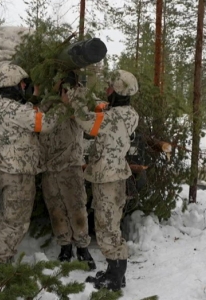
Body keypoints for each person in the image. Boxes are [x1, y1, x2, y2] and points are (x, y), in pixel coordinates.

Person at [68, 70, 139, 291]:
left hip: (107, 178)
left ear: (118, 91)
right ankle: (114, 271)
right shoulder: (129, 114)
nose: (107, 91)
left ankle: (115, 278)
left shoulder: (112, 118)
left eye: (110, 87)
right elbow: (103, 109)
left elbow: (86, 122)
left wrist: (74, 97)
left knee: (106, 226)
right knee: (111, 224)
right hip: (115, 175)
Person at [0, 62, 65, 265]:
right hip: (17, 174)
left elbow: (33, 112)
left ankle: (2, 261)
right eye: (23, 84)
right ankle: (0, 266)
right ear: (12, 85)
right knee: (14, 222)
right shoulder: (14, 110)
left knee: (10, 219)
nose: (25, 88)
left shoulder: (2, 107)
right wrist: (64, 105)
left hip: (9, 171)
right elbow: (44, 123)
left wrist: (45, 99)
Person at [38, 82, 96, 270]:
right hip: (49, 167)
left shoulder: (76, 97)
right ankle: (65, 246)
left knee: (77, 208)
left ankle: (82, 247)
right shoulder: (44, 100)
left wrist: (69, 101)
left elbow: (85, 120)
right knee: (56, 209)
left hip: (70, 164)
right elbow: (38, 121)